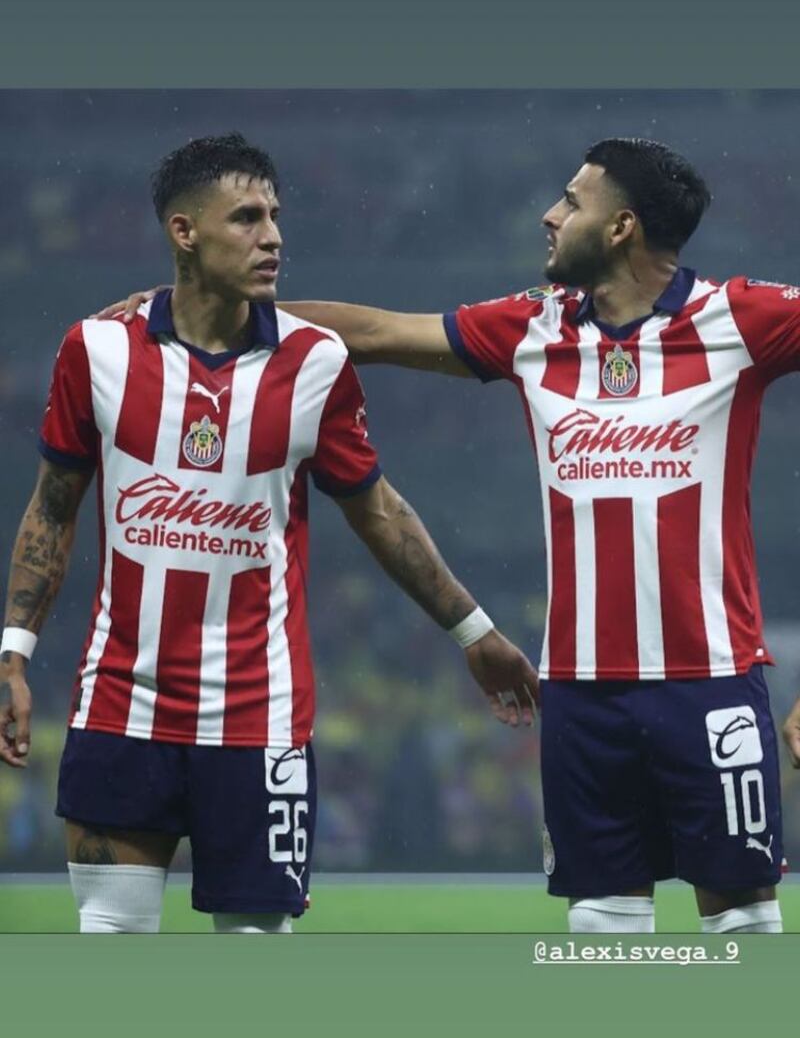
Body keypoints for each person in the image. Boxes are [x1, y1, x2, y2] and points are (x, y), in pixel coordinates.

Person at [98, 135, 800, 934]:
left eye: (573, 202)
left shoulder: (739, 317)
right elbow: (375, 332)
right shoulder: (533, 327)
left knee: (742, 924)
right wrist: (206, 303)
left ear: (621, 227)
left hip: (710, 682)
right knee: (601, 924)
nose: (551, 214)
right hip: (577, 692)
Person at [0, 133, 538, 935]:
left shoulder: (315, 361)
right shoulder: (97, 350)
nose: (273, 236)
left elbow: (378, 511)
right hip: (120, 708)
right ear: (184, 231)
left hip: (261, 718)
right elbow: (52, 508)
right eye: (247, 218)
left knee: (255, 958)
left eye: (275, 216)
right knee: (110, 940)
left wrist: (474, 630)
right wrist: (13, 652)